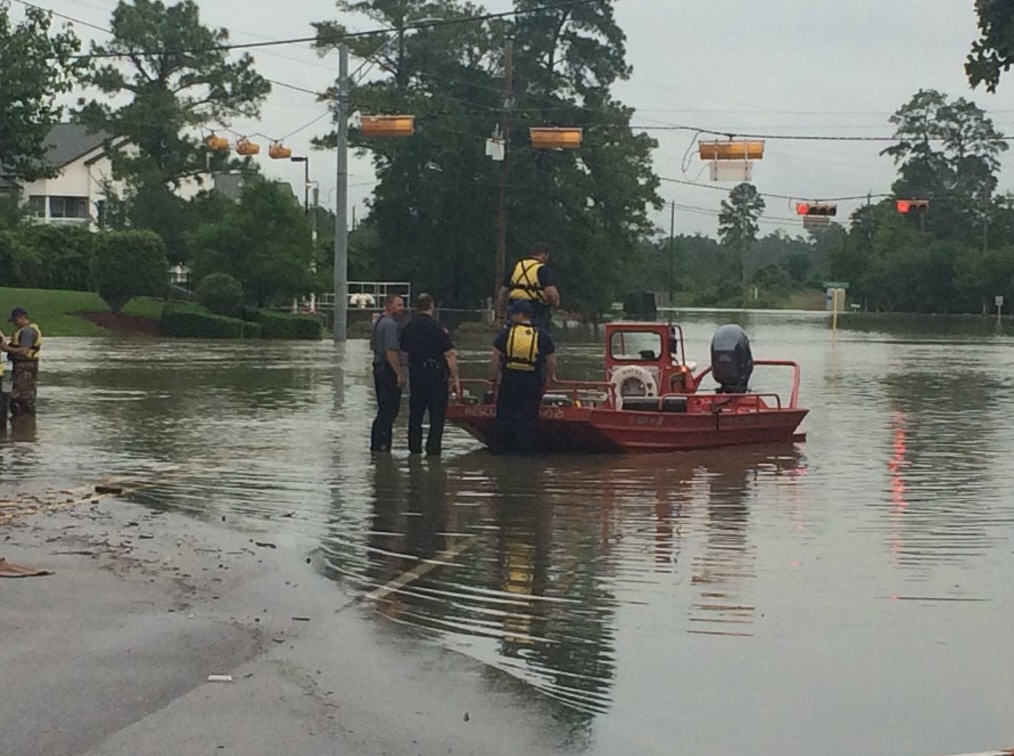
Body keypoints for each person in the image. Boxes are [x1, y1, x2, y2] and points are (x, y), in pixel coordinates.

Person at [489, 300, 557, 454]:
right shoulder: (542, 335)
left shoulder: (506, 333)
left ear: (520, 315)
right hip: (531, 381)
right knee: (528, 419)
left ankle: (503, 453)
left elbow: (495, 358)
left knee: (505, 418)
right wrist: (550, 378)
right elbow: (551, 360)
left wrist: (492, 379)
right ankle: (525, 453)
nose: (511, 316)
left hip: (509, 380)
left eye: (513, 313)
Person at [400, 293, 461, 456]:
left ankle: (414, 450)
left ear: (416, 307)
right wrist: (455, 379)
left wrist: (403, 374)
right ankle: (433, 451)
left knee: (415, 415)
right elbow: (449, 354)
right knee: (437, 416)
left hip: (416, 375)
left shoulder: (409, 327)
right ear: (431, 306)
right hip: (436, 376)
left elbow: (403, 353)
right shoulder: (437, 327)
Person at [370, 294, 405, 452]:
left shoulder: (379, 322)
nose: (401, 308)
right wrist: (399, 373)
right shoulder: (390, 324)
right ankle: (383, 445)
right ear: (389, 306)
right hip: (387, 370)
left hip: (378, 367)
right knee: (390, 410)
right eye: (398, 305)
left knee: (383, 408)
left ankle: (377, 445)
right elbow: (391, 351)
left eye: (402, 305)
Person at [498, 242, 560, 331]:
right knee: (540, 339)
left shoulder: (516, 267)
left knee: (511, 335)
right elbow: (552, 293)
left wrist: (501, 314)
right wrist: (555, 304)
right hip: (535, 309)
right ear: (543, 254)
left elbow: (502, 293)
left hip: (514, 308)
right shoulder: (543, 269)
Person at [0, 308, 42, 417]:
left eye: (15, 320)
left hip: (25, 367)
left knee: (21, 397)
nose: (14, 323)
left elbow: (24, 351)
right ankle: (23, 424)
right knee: (17, 394)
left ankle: (23, 424)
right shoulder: (24, 330)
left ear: (22, 317)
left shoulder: (27, 332)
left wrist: (6, 348)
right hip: (21, 366)